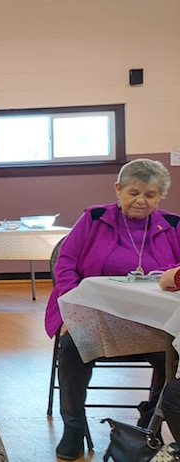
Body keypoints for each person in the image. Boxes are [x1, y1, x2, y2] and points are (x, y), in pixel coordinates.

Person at [46, 158, 180, 460]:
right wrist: (71, 310)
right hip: (96, 314)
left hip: (155, 319)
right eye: (133, 192)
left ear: (161, 196)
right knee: (72, 347)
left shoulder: (173, 225)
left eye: (150, 194)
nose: (141, 200)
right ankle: (73, 427)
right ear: (118, 189)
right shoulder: (94, 218)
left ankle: (149, 424)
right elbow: (65, 264)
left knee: (174, 353)